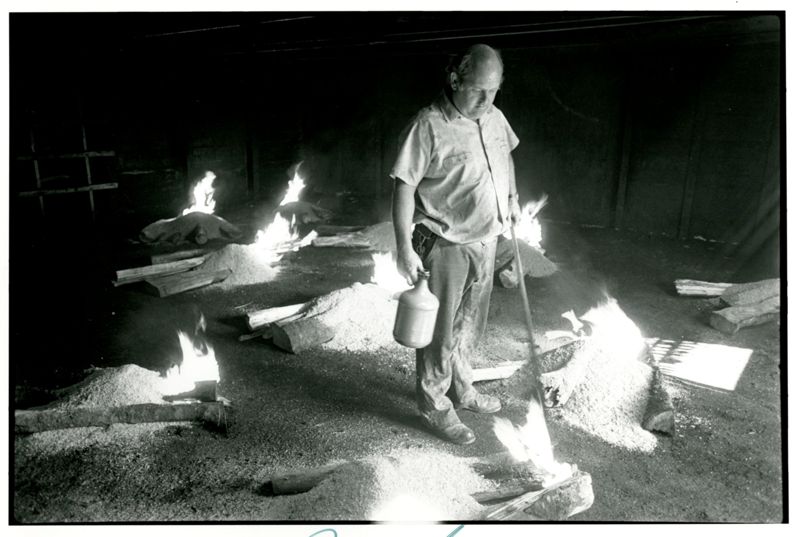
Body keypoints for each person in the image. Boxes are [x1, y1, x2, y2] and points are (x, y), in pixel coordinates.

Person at [390, 44, 522, 445]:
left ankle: (461, 388)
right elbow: (404, 187)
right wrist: (404, 247)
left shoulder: (495, 118)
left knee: (470, 325)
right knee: (441, 330)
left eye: (494, 90)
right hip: (445, 243)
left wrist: (513, 199)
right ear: (454, 80)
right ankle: (434, 406)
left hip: (486, 238)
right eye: (478, 90)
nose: (486, 99)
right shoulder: (427, 125)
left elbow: (505, 161)